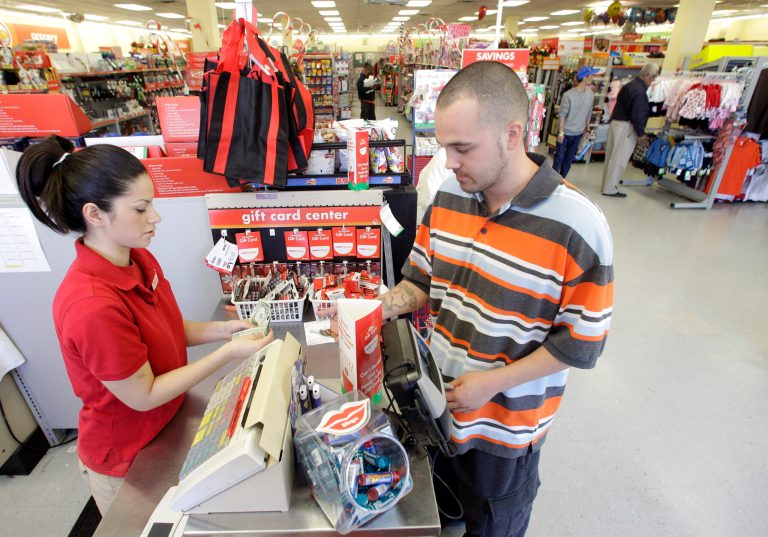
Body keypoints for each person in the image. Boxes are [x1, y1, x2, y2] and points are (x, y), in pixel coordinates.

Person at [377, 61, 614, 537]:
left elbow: (581, 344)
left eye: (463, 148)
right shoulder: (447, 195)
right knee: (434, 521)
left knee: (490, 528)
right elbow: (421, 279)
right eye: (445, 147)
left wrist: (493, 382)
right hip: (436, 410)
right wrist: (375, 306)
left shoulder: (580, 227)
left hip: (503, 436)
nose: (450, 161)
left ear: (513, 134)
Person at [15, 136, 274, 515]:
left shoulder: (138, 260)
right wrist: (228, 353)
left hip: (169, 423)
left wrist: (223, 331)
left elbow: (164, 327)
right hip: (127, 457)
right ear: (95, 214)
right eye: (141, 208)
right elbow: (143, 394)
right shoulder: (91, 305)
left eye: (151, 203)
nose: (155, 217)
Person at [600, 62, 660, 197]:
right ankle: (610, 188)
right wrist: (641, 134)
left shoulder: (628, 86)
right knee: (619, 159)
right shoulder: (640, 92)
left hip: (616, 123)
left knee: (611, 157)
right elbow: (638, 115)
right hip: (626, 127)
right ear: (646, 75)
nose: (653, 81)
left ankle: (606, 185)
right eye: (653, 77)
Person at [552, 65, 600, 178]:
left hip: (578, 133)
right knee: (558, 158)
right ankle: (553, 180)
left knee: (569, 160)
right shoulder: (568, 95)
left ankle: (562, 181)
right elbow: (562, 115)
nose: (592, 77)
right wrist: (561, 132)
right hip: (565, 133)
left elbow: (588, 113)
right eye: (591, 75)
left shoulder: (590, 95)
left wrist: (587, 129)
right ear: (584, 77)